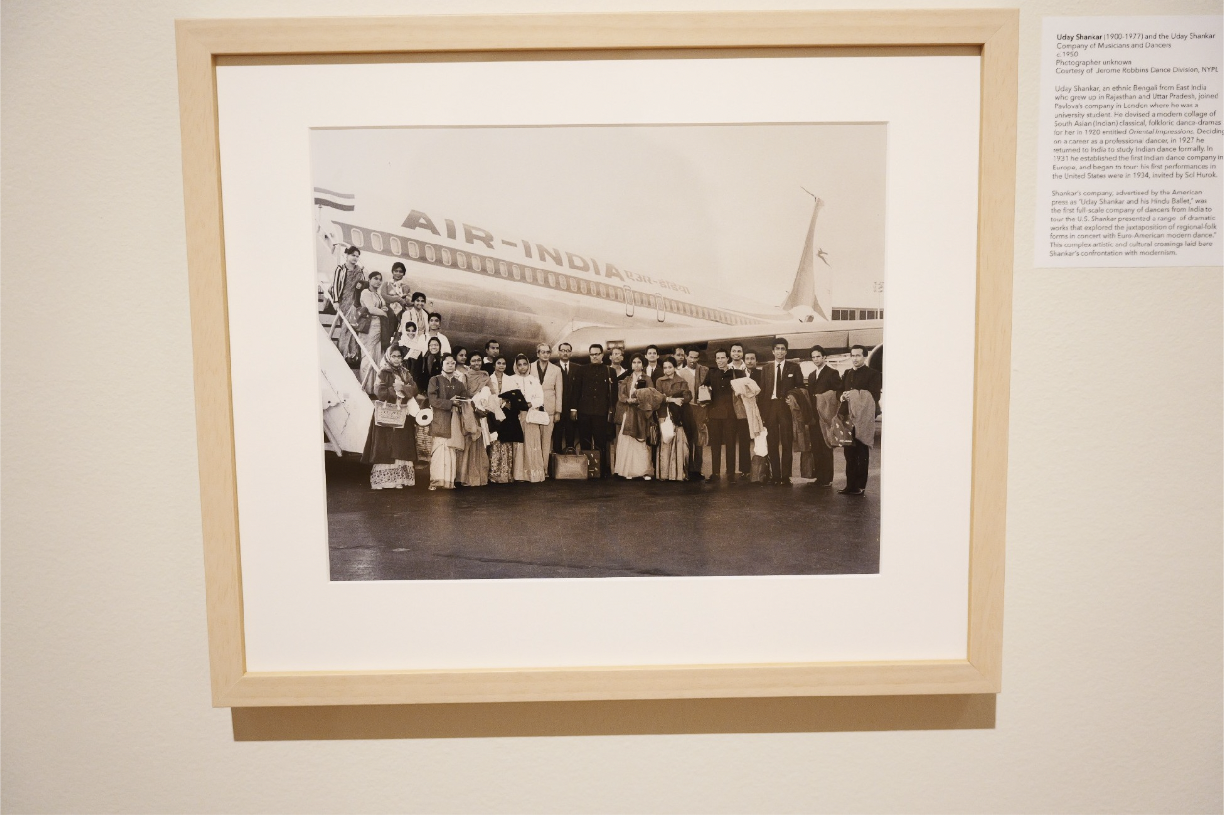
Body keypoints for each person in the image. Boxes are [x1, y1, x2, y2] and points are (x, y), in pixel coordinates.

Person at [360, 345, 418, 489]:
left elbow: (415, 388)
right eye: (394, 356)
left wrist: (403, 388)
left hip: (401, 412)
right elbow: (379, 391)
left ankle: (398, 479)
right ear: (388, 357)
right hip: (387, 412)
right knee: (385, 445)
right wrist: (394, 390)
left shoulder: (405, 372)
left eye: (399, 356)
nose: (397, 359)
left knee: (400, 445)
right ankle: (383, 480)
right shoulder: (383, 372)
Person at [760, 339, 805, 485]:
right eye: (777, 349)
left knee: (787, 442)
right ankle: (776, 476)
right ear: (773, 351)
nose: (780, 351)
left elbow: (800, 386)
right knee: (772, 442)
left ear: (786, 351)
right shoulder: (766, 369)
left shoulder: (794, 367)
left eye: (782, 349)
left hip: (785, 407)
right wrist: (762, 413)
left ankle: (785, 477)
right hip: (770, 407)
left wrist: (791, 396)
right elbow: (762, 392)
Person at [839, 345, 882, 496]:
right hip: (848, 418)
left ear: (864, 356)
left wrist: (854, 395)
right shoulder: (847, 373)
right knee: (849, 453)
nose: (855, 359)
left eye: (858, 355)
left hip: (863, 418)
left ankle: (860, 486)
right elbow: (840, 391)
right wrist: (843, 396)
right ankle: (850, 485)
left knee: (862, 452)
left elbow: (874, 396)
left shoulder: (873, 374)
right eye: (852, 355)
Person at [426, 353, 469, 490]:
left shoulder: (459, 383)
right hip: (440, 420)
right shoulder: (435, 380)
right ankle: (436, 481)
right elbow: (432, 400)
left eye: (452, 363)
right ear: (442, 364)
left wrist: (461, 403)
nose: (450, 365)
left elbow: (465, 399)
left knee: (451, 451)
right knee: (439, 451)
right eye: (447, 363)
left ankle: (448, 482)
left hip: (454, 421)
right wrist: (450, 403)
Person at [573, 343, 616, 477]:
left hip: (601, 412)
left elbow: (613, 393)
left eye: (597, 354)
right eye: (592, 354)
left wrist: (611, 410)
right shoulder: (582, 370)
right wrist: (573, 409)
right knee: (584, 440)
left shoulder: (610, 371)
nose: (594, 357)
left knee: (600, 441)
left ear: (602, 355)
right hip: (584, 411)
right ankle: (586, 469)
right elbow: (576, 391)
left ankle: (600, 470)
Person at [612, 354, 657, 480]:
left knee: (641, 441)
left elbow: (651, 394)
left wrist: (639, 399)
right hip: (628, 412)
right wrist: (628, 400)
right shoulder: (626, 379)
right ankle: (628, 471)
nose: (636, 365)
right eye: (634, 362)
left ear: (643, 364)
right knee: (627, 441)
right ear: (631, 364)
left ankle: (643, 471)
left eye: (639, 362)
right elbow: (621, 395)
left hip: (641, 413)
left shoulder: (648, 379)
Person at [806, 345, 843, 488]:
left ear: (824, 357)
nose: (816, 359)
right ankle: (819, 476)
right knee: (816, 446)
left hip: (826, 414)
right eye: (813, 357)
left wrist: (822, 398)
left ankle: (827, 478)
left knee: (826, 445)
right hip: (814, 416)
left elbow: (838, 391)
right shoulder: (811, 375)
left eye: (818, 356)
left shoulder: (832, 373)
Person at [506, 355, 547, 482]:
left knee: (531, 443)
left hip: (530, 415)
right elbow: (506, 397)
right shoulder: (511, 380)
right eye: (519, 364)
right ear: (516, 366)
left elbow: (540, 398)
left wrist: (530, 404)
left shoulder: (534, 380)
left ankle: (533, 474)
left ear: (528, 365)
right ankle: (519, 475)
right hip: (516, 415)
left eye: (525, 364)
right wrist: (514, 405)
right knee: (518, 443)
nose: (522, 367)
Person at [705, 349, 745, 481]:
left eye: (723, 358)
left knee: (731, 443)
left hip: (731, 413)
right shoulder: (711, 373)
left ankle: (730, 472)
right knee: (715, 443)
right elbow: (703, 387)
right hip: (714, 413)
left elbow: (744, 390)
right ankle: (715, 472)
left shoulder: (737, 373)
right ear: (715, 360)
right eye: (718, 358)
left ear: (728, 359)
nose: (720, 360)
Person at [653, 356, 692, 481]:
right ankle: (664, 474)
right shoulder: (659, 381)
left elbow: (688, 396)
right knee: (666, 441)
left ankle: (679, 474)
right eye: (665, 367)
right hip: (664, 414)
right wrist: (672, 399)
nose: (667, 370)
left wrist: (680, 399)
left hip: (679, 415)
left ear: (675, 368)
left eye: (670, 367)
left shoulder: (681, 381)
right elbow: (658, 397)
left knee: (679, 443)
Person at [456, 359, 492, 488]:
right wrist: (473, 407)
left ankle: (479, 477)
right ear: (469, 362)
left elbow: (492, 393)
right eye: (474, 360)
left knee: (480, 444)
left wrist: (484, 408)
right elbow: (463, 394)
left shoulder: (485, 376)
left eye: (479, 360)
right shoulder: (464, 376)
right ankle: (465, 476)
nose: (477, 363)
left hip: (481, 413)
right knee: (468, 442)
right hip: (468, 412)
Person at [486, 356, 520, 484]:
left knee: (506, 442)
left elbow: (516, 395)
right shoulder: (489, 378)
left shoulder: (510, 380)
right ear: (494, 365)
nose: (501, 365)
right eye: (499, 363)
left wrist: (506, 402)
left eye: (504, 363)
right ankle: (494, 474)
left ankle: (505, 474)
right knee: (495, 441)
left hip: (508, 412)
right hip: (493, 412)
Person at [329, 245, 365, 364]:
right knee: (345, 327)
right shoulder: (341, 269)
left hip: (355, 302)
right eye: (353, 255)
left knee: (353, 328)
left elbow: (364, 285)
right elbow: (336, 285)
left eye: (357, 256)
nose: (355, 258)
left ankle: (352, 355)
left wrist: (361, 285)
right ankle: (342, 352)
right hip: (344, 301)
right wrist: (335, 301)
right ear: (347, 255)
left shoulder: (360, 271)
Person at [680, 347, 710, 480]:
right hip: (687, 408)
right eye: (690, 357)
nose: (693, 360)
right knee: (688, 439)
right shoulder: (680, 373)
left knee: (699, 439)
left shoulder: (704, 370)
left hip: (700, 407)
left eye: (695, 358)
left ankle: (697, 469)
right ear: (686, 356)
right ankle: (686, 469)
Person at [357, 271, 389, 394]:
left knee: (377, 355)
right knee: (367, 355)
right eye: (375, 278)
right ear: (369, 280)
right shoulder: (366, 292)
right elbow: (371, 309)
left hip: (378, 327)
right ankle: (365, 386)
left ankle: (373, 388)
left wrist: (382, 310)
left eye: (380, 279)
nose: (378, 281)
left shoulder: (378, 294)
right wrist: (384, 313)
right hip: (368, 326)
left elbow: (382, 307)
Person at [532, 343, 562, 459]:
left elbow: (559, 391)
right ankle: (535, 468)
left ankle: (544, 469)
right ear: (538, 354)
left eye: (548, 352)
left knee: (546, 440)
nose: (545, 355)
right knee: (534, 441)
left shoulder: (556, 370)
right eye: (542, 352)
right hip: (534, 409)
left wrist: (558, 411)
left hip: (550, 409)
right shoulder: (530, 367)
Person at [553, 342, 581, 453]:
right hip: (557, 408)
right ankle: (556, 463)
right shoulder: (553, 367)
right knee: (557, 435)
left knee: (571, 435)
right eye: (563, 350)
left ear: (571, 353)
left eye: (567, 351)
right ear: (559, 352)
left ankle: (570, 462)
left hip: (572, 408)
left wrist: (574, 409)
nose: (565, 353)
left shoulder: (578, 368)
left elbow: (578, 390)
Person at [380, 262, 411, 343]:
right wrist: (398, 299)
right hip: (388, 313)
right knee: (385, 336)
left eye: (400, 271)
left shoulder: (406, 287)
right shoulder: (386, 284)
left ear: (404, 273)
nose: (398, 273)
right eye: (396, 271)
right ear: (392, 272)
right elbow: (384, 296)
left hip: (400, 315)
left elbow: (408, 301)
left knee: (397, 336)